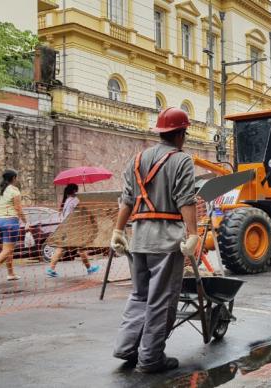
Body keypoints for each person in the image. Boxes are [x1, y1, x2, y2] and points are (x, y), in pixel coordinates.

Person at [110, 107, 198, 373]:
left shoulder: (137, 159)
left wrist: (118, 230)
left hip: (138, 239)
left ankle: (126, 348)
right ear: (181, 133)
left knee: (139, 296)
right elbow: (186, 199)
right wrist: (193, 234)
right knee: (161, 300)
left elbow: (127, 199)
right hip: (166, 242)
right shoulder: (182, 160)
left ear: (161, 132)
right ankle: (150, 359)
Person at [46, 184, 100, 277]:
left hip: (65, 227)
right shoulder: (75, 200)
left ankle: (51, 268)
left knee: (62, 248)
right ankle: (89, 269)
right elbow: (84, 210)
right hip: (73, 228)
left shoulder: (66, 201)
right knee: (80, 248)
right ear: (75, 191)